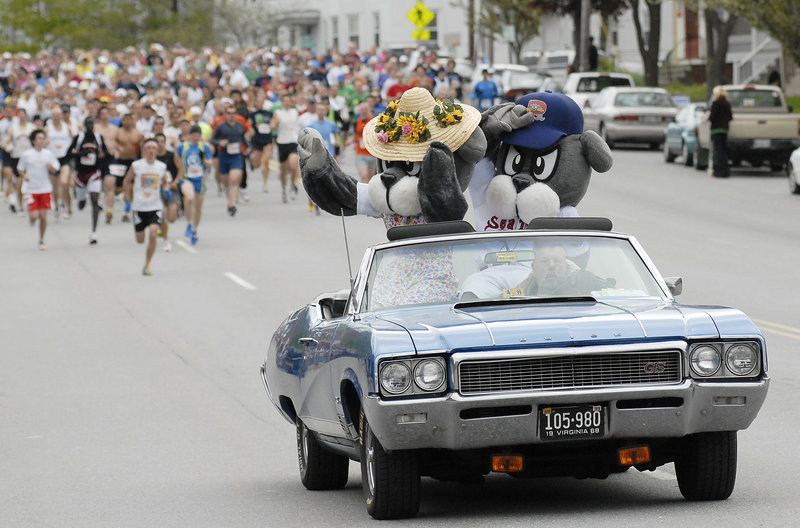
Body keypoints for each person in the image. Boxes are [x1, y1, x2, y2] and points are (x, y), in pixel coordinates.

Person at [123, 138, 168, 276]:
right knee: (140, 240)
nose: (151, 151)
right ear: (143, 151)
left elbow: (165, 181)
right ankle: (140, 233)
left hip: (155, 206)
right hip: (139, 207)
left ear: (157, 151)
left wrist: (166, 188)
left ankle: (147, 265)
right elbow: (127, 180)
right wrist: (127, 199)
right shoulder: (136, 165)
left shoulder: (161, 166)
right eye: (148, 148)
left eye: (154, 148)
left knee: (153, 234)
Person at [68, 116, 110, 245]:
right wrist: (82, 153)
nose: (90, 126)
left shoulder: (98, 138)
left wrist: (97, 155)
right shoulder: (79, 137)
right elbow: (69, 152)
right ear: (84, 125)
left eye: (92, 124)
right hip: (80, 174)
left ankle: (94, 232)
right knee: (81, 205)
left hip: (94, 173)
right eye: (88, 124)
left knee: (94, 199)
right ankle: (81, 199)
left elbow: (106, 153)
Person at [18, 129, 60, 250]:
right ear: (33, 141)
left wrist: (51, 167)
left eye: (43, 138)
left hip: (45, 188)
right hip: (31, 189)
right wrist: (24, 176)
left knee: (43, 216)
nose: (42, 141)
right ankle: (32, 220)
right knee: (35, 216)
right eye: (39, 138)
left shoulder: (48, 154)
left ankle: (41, 239)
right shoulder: (27, 154)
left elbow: (56, 169)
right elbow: (20, 169)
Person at [516, 243, 609, 296]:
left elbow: (611, 294)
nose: (551, 265)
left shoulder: (585, 289)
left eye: (557, 260)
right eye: (545, 261)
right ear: (534, 267)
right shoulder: (520, 296)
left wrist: (588, 278)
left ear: (566, 265)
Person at [177, 125, 214, 245]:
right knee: (189, 198)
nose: (197, 137)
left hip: (200, 179)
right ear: (190, 135)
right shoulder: (183, 146)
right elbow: (176, 160)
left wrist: (205, 160)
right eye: (195, 135)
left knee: (198, 206)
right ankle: (189, 222)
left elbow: (210, 162)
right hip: (186, 178)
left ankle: (194, 229)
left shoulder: (204, 147)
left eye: (199, 135)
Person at [211, 106, 249, 216]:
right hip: (224, 156)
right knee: (226, 182)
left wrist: (247, 147)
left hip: (236, 156)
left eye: (233, 113)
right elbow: (212, 139)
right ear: (225, 114)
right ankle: (230, 201)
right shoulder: (220, 126)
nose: (231, 115)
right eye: (229, 113)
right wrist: (219, 143)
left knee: (234, 180)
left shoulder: (240, 125)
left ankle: (233, 205)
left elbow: (243, 138)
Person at [105, 112, 142, 223]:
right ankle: (109, 210)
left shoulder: (138, 133)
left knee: (130, 184)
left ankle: (128, 210)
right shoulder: (117, 132)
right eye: (125, 120)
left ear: (132, 121)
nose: (127, 122)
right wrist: (116, 148)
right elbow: (111, 143)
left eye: (129, 119)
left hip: (132, 161)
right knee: (114, 186)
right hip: (120, 161)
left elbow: (141, 148)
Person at [45, 107, 75, 219]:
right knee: (55, 188)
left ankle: (68, 207)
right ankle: (57, 206)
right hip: (53, 159)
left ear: (61, 116)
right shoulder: (48, 128)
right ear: (52, 116)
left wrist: (73, 150)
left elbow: (74, 140)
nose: (57, 117)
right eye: (54, 115)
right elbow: (42, 141)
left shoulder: (67, 127)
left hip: (64, 159)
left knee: (64, 183)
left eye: (58, 115)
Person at [154, 133, 182, 251]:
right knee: (162, 213)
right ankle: (166, 240)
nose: (160, 144)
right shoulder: (152, 156)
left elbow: (181, 169)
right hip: (157, 188)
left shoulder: (171, 155)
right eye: (158, 142)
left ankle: (164, 226)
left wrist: (176, 181)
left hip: (171, 187)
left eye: (162, 142)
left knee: (172, 218)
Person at [271, 92, 301, 203]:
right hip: (282, 143)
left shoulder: (295, 112)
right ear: (282, 102)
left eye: (289, 101)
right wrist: (276, 123)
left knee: (293, 166)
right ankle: (284, 189)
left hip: (293, 141)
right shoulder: (277, 113)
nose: (287, 103)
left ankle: (292, 185)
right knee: (283, 170)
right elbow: (272, 126)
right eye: (285, 101)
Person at [708, 85, 733, 178]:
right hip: (724, 130)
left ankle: (717, 172)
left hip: (716, 130)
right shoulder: (727, 104)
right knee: (723, 150)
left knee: (717, 151)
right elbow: (730, 117)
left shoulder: (715, 104)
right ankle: (725, 172)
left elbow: (711, 118)